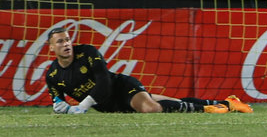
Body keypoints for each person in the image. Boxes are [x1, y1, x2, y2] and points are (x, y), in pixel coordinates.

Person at [45, 27, 253, 114]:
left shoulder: (88, 52)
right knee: (173, 102)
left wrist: (83, 105)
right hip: (111, 106)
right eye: (60, 42)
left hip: (121, 88)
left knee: (150, 108)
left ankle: (209, 110)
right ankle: (229, 103)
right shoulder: (53, 75)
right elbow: (57, 99)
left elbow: (104, 82)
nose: (66, 44)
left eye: (68, 39)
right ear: (52, 48)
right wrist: (60, 106)